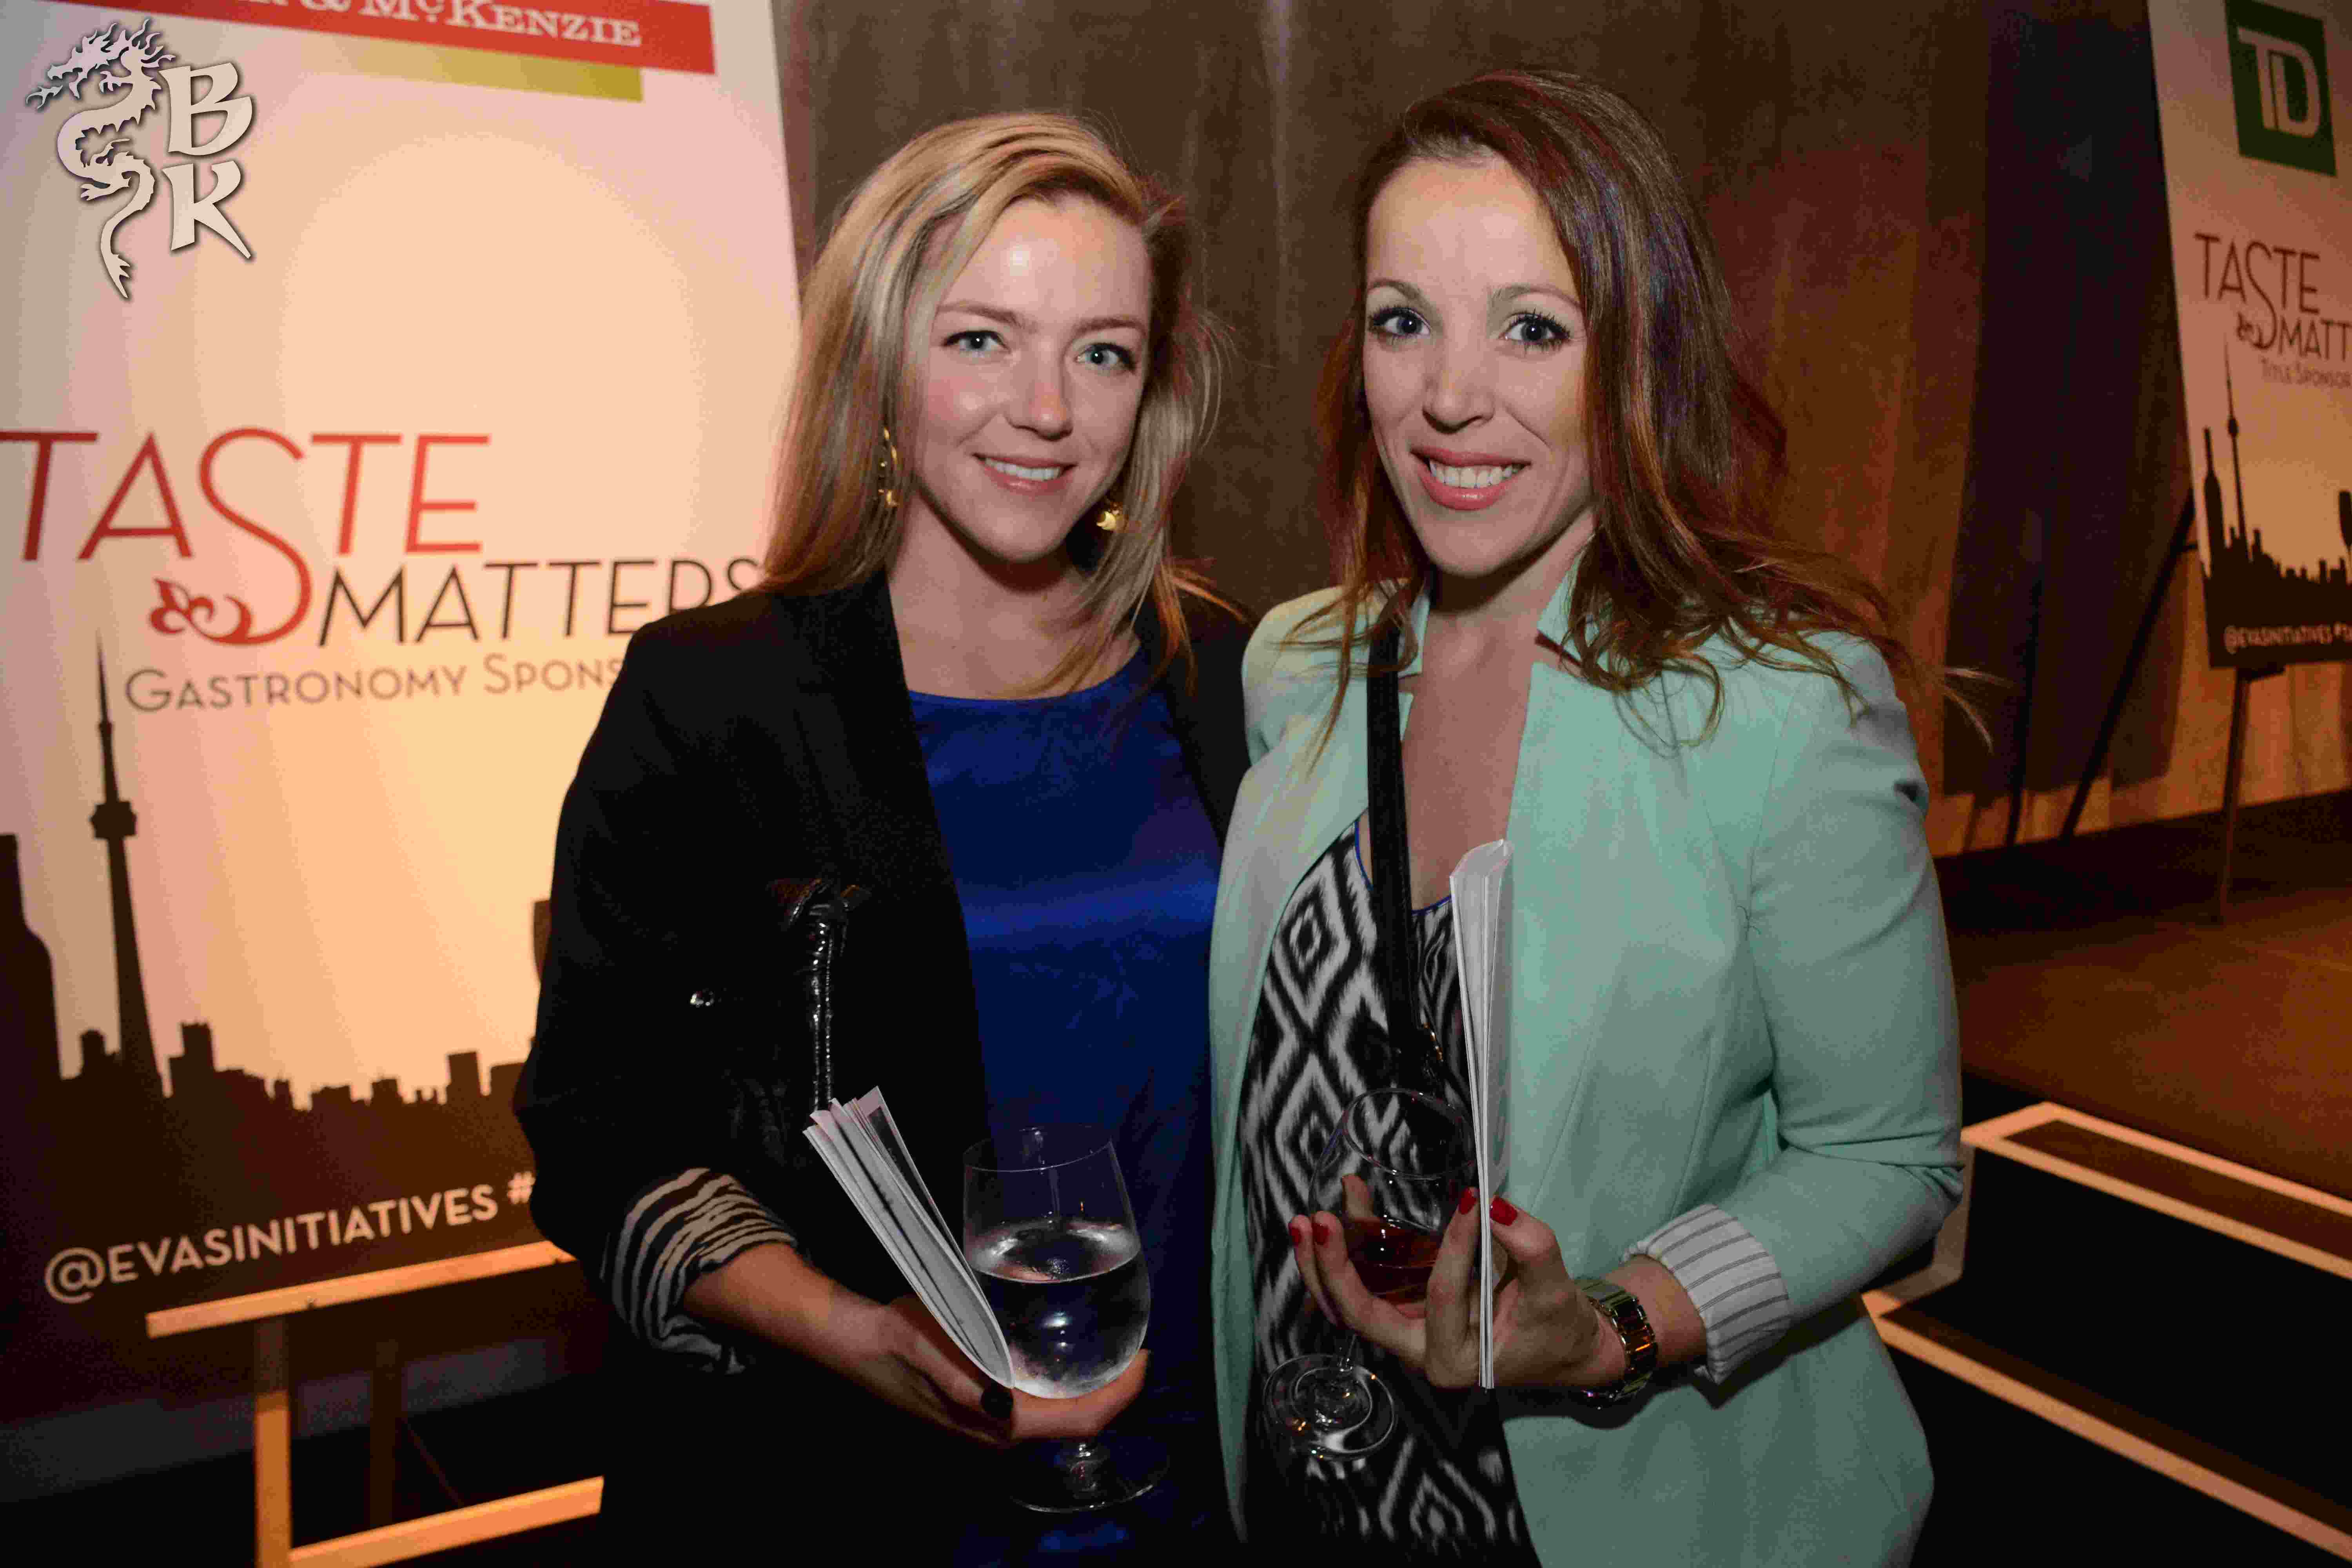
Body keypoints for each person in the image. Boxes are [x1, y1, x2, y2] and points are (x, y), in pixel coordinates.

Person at [1205, 69, 1963, 1564]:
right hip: (1315, 1491)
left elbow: (1888, 1157)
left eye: (1533, 329)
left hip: (1621, 1509)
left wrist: (1616, 1323)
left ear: (1638, 357)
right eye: (1403, 320)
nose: (1450, 395)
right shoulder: (1300, 667)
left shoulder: (1782, 711)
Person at [516, 112, 1246, 1560]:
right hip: (855, 1487)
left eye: (1104, 352)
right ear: (880, 361)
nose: (1048, 408)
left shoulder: (1225, 672)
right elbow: (598, 1135)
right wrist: (853, 1334)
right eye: (982, 341)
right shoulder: (715, 697)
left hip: (1203, 1471)